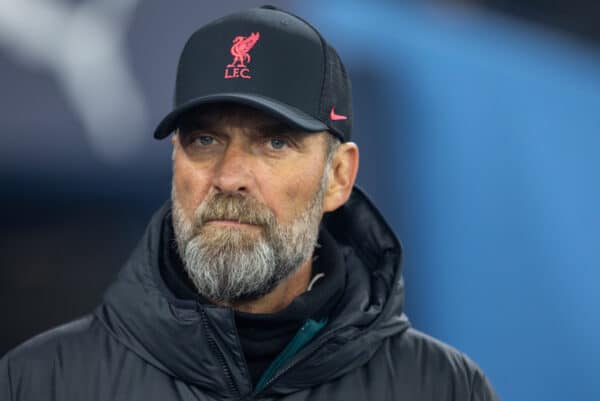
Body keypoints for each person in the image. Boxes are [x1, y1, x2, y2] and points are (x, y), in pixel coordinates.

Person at [1, 6, 499, 401]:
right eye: (204, 141)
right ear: (175, 160)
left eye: (275, 144)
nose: (230, 176)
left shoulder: (440, 388)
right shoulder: (39, 382)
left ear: (339, 177)